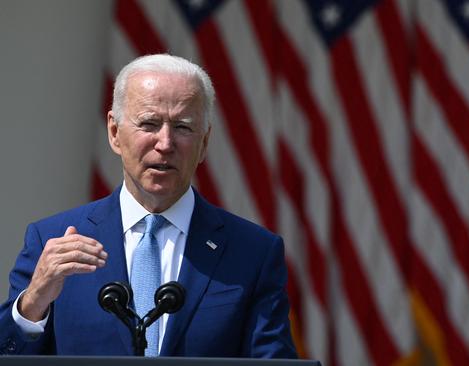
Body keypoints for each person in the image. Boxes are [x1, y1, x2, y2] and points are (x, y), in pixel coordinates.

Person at [0, 54, 297, 358]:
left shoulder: (253, 252)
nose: (165, 143)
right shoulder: (50, 240)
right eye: (149, 124)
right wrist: (33, 304)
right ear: (115, 133)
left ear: (204, 143)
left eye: (182, 127)